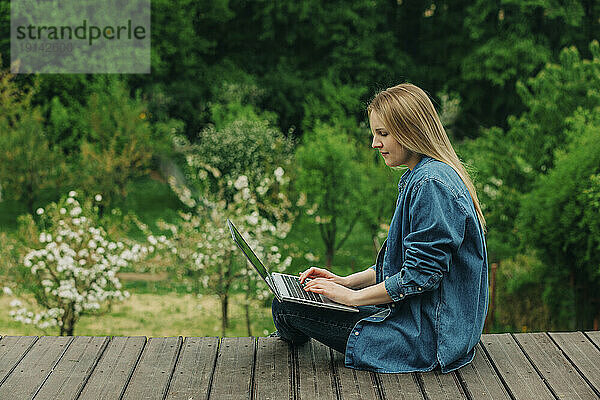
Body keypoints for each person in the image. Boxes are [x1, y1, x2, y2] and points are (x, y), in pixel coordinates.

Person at [271, 83, 489, 373]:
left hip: (427, 339)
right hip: (420, 321)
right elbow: (402, 263)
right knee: (299, 299)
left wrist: (352, 299)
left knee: (286, 307)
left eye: (383, 134)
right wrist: (345, 282)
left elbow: (420, 275)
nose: (375, 143)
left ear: (411, 131)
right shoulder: (423, 176)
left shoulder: (431, 185)